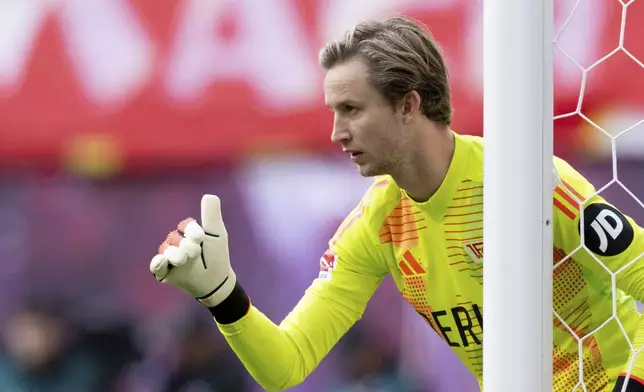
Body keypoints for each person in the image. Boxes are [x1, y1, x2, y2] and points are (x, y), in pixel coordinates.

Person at [149, 16, 644, 392]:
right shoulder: (376, 226)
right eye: (333, 111)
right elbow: (287, 363)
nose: (336, 132)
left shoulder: (521, 177)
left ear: (408, 104)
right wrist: (221, 294)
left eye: (352, 109)